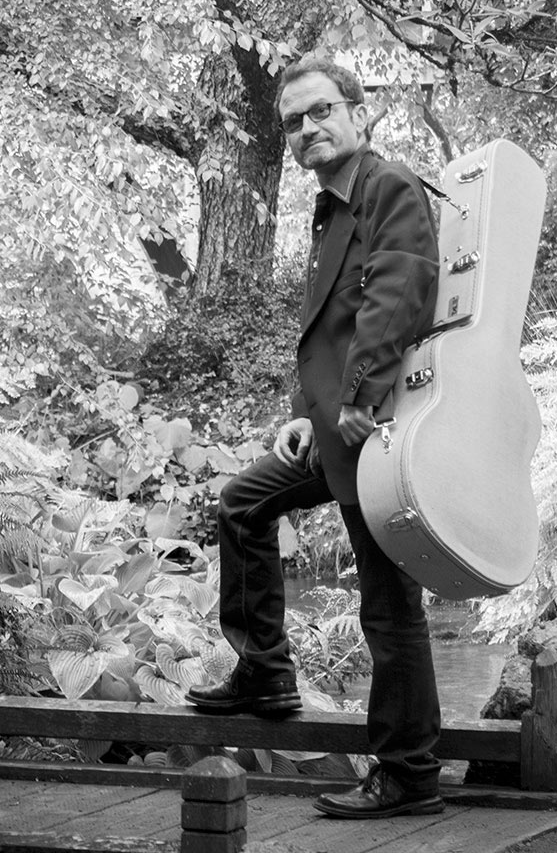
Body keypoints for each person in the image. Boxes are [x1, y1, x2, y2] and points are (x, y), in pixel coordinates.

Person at [185, 56, 444, 819]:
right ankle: (265, 674)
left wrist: (360, 396)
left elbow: (399, 292)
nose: (307, 130)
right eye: (294, 122)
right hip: (330, 429)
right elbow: (324, 328)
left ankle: (408, 774)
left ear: (359, 115)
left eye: (320, 112)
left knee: (388, 601)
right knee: (242, 503)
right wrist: (305, 408)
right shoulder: (330, 210)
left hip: (377, 430)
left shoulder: (387, 187)